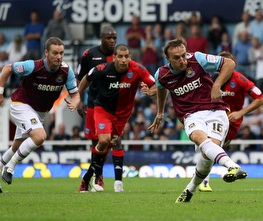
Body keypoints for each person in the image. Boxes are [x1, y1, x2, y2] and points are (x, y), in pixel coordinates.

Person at [148, 38, 247, 203]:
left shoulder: (198, 59)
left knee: (208, 153)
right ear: (168, 59)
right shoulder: (162, 74)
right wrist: (160, 112)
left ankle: (190, 189)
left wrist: (217, 85)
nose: (182, 60)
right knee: (201, 139)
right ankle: (232, 167)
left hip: (216, 111)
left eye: (183, 55)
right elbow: (161, 88)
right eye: (177, 58)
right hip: (191, 115)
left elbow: (229, 63)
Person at [0, 37, 80, 191]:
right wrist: (1, 92)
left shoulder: (66, 71)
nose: (59, 57)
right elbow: (7, 68)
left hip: (40, 112)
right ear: (46, 53)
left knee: (17, 145)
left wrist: (76, 102)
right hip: (21, 105)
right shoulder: (33, 66)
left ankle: (3, 164)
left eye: (61, 53)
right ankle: (10, 167)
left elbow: (75, 94)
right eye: (55, 53)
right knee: (40, 137)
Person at [78, 44, 155, 193]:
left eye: (126, 56)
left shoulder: (138, 69)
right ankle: (100, 177)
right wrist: (77, 97)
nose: (123, 59)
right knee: (104, 140)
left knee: (110, 146)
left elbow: (155, 85)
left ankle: (88, 177)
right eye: (120, 56)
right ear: (114, 58)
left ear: (130, 57)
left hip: (122, 115)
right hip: (103, 110)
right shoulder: (103, 69)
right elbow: (86, 79)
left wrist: (151, 92)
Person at [199, 51, 263, 192]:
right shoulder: (210, 78)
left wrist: (240, 113)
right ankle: (204, 181)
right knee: (211, 145)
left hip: (232, 122)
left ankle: (210, 174)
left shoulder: (241, 80)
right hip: (213, 116)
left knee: (215, 148)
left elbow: (261, 99)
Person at [76, 26, 127, 192]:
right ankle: (98, 176)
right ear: (101, 38)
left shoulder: (120, 56)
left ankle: (91, 176)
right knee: (97, 143)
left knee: (113, 142)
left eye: (114, 38)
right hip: (93, 104)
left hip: (114, 106)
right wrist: (79, 100)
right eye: (108, 38)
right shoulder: (89, 55)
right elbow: (81, 78)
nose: (112, 41)